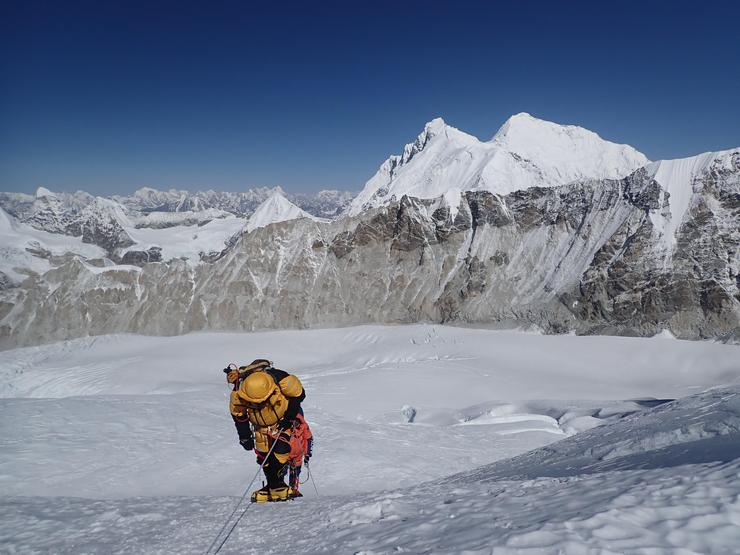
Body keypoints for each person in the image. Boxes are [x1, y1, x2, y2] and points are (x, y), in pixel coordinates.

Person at [225, 359, 313, 502]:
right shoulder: (239, 392)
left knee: (281, 449)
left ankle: (277, 485)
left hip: (282, 422)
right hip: (260, 427)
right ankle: (273, 486)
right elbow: (238, 415)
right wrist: (245, 436)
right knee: (264, 457)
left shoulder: (281, 379)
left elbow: (298, 395)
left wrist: (289, 418)